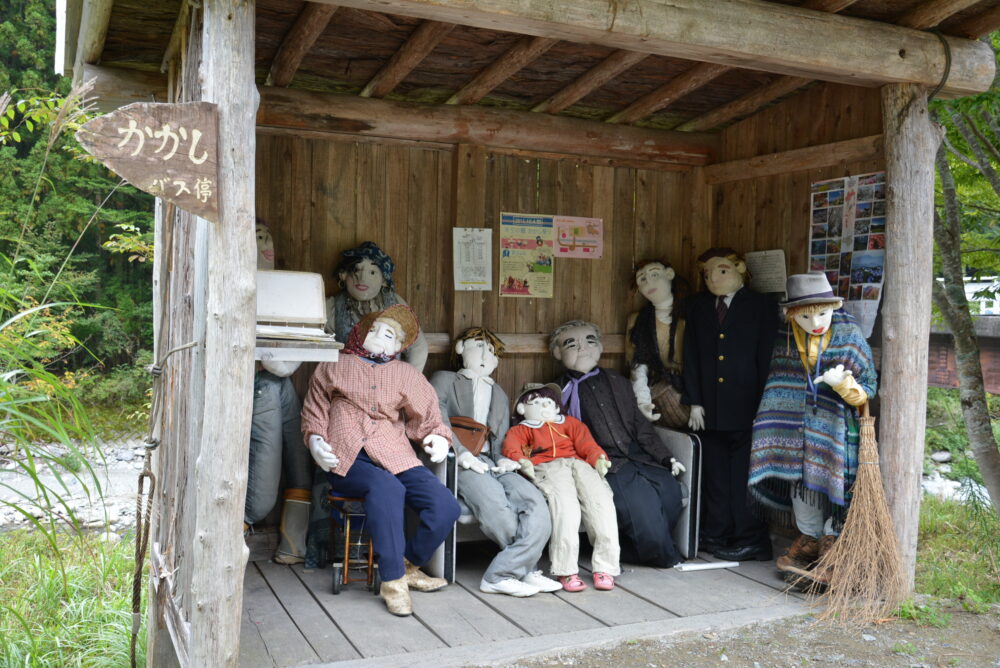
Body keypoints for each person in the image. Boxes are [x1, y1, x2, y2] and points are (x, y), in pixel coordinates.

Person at [301, 304, 460, 616]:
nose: (377, 336)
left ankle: (407, 564)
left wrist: (439, 436)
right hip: (346, 455)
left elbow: (427, 415)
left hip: (393, 452)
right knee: (388, 489)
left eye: (388, 333)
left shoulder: (406, 374)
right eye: (372, 329)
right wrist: (315, 440)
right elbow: (314, 409)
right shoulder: (333, 365)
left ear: (399, 345)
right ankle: (393, 581)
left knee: (445, 505)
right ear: (361, 332)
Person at [748, 273, 876, 582]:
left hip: (836, 429)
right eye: (805, 315)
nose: (815, 321)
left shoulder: (850, 336)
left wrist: (844, 384)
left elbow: (868, 388)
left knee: (834, 483)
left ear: (835, 306)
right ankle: (810, 538)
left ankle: (832, 545)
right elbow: (781, 383)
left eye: (822, 312)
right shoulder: (788, 337)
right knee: (799, 480)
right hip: (795, 428)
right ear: (792, 314)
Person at [429, 328, 559, 597]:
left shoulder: (498, 392)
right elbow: (435, 416)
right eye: (478, 346)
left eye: (492, 350)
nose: (486, 355)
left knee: (536, 501)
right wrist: (462, 453)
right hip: (460, 460)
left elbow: (499, 438)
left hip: (492, 459)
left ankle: (513, 571)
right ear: (460, 349)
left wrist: (504, 459)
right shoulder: (444, 379)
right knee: (495, 504)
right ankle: (513, 572)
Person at [550, 320, 686, 568]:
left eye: (590, 341)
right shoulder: (557, 392)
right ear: (558, 353)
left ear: (600, 346)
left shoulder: (618, 381)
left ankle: (649, 547)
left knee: (670, 492)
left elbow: (640, 426)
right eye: (572, 344)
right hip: (604, 464)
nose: (583, 348)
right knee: (641, 511)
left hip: (638, 456)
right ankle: (660, 554)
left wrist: (667, 458)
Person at [682, 247, 777, 561]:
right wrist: (694, 401)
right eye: (707, 273)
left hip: (747, 407)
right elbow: (691, 356)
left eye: (722, 270)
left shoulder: (761, 305)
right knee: (715, 475)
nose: (713, 278)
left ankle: (751, 538)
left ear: (740, 270)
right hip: (709, 409)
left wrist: (765, 406)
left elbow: (766, 359)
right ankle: (716, 532)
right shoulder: (698, 307)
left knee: (744, 476)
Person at [502, 383, 620, 592]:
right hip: (549, 467)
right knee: (565, 508)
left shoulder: (571, 424)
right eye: (535, 402)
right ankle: (566, 569)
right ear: (522, 409)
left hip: (579, 464)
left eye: (548, 402)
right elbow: (511, 449)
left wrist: (598, 458)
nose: (543, 406)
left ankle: (606, 567)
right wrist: (524, 462)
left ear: (557, 407)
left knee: (601, 504)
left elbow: (587, 445)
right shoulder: (522, 429)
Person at [246, 360, 314, 564]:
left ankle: (293, 548)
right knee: (260, 498)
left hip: (281, 379)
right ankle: (225, 544)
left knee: (300, 464)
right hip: (260, 379)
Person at [325, 241, 429, 371]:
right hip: (348, 379)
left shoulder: (394, 303)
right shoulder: (332, 306)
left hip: (389, 381)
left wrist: (408, 380)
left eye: (372, 272)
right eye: (356, 270)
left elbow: (418, 347)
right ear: (344, 275)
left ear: (384, 280)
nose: (362, 278)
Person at [626, 259, 690, 428]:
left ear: (669, 274)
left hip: (693, 392)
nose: (649, 282)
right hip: (659, 393)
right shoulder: (638, 321)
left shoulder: (693, 314)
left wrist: (697, 401)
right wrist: (642, 400)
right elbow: (638, 365)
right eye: (642, 279)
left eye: (655, 274)